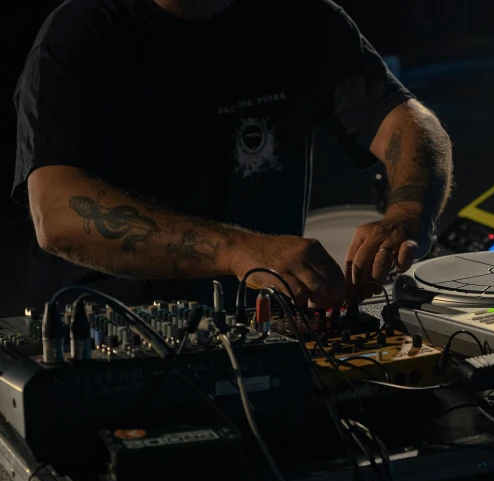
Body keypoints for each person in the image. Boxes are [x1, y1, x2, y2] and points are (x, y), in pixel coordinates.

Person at [14, 0, 453, 310]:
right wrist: (238, 250)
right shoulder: (78, 35)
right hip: (103, 345)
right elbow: (56, 214)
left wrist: (410, 212)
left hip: (262, 335)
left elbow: (410, 123)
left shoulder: (304, 20)